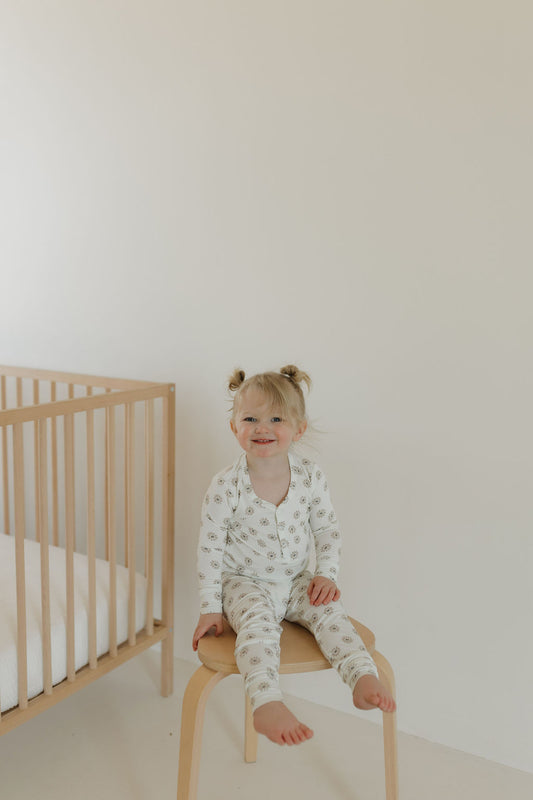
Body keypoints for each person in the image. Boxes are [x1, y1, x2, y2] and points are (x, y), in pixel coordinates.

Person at [192, 365, 396, 746]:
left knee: (330, 612)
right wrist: (209, 606)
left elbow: (326, 530)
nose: (261, 427)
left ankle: (360, 674)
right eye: (249, 418)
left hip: (297, 580)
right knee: (257, 627)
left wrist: (327, 575)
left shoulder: (310, 477)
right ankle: (266, 702)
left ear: (298, 429)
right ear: (234, 427)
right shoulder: (225, 486)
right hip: (243, 584)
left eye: (275, 419)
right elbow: (210, 549)